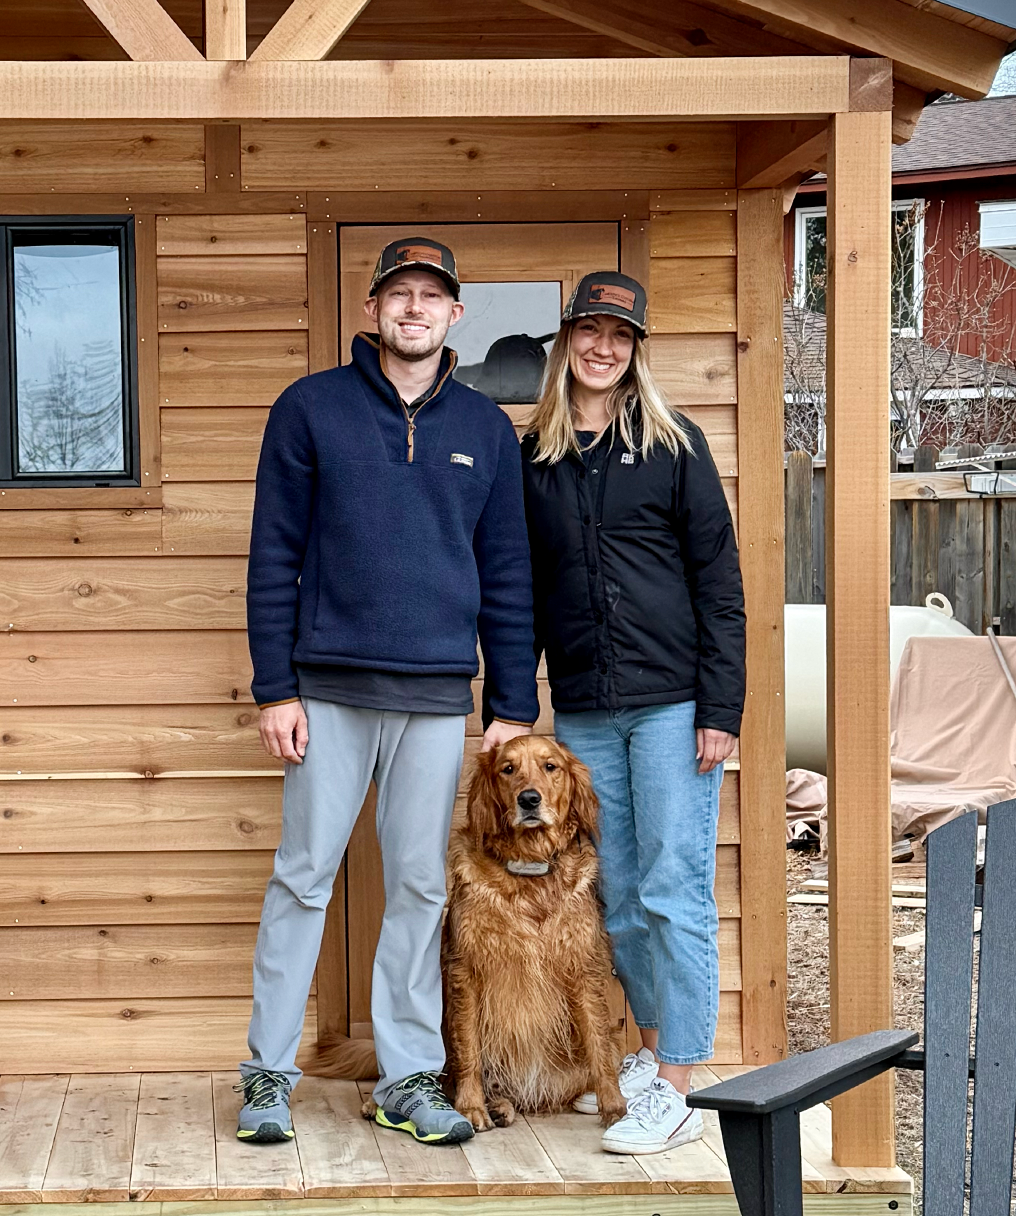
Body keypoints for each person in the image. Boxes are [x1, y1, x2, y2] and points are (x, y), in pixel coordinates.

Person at [235, 236, 540, 1149]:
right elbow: (273, 555)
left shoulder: (486, 429)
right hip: (327, 690)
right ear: (372, 309)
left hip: (436, 698)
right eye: (398, 293)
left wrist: (511, 706)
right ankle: (266, 1074)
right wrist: (275, 687)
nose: (414, 308)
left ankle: (406, 1077)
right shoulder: (309, 409)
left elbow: (508, 573)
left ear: (455, 314)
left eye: (430, 296)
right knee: (303, 877)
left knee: (417, 885)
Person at [519, 271, 744, 1155]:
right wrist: (518, 697)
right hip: (584, 709)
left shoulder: (674, 444)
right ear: (566, 340)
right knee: (615, 893)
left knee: (672, 886)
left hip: (673, 705)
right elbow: (523, 592)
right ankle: (652, 1054)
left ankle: (681, 1084)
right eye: (589, 330)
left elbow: (720, 586)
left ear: (636, 348)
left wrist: (720, 706)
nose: (603, 347)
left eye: (620, 334)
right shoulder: (535, 457)